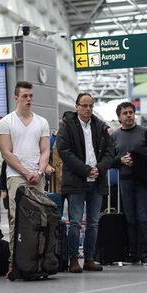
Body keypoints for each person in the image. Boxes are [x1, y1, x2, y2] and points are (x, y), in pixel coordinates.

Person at [56, 93, 114, 273]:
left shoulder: (100, 126)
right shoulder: (67, 126)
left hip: (97, 180)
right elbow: (64, 151)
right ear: (77, 106)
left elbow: (110, 151)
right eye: (84, 105)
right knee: (75, 222)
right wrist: (85, 169)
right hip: (76, 180)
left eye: (91, 106)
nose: (88, 109)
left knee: (94, 223)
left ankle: (89, 258)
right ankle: (73, 259)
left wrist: (100, 168)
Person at [0, 81, 51, 258]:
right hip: (16, 177)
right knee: (16, 219)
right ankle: (14, 260)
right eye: (24, 96)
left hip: (38, 176)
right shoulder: (6, 122)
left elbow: (45, 151)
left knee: (40, 218)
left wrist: (40, 172)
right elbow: (6, 153)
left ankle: (38, 260)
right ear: (16, 98)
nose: (28, 99)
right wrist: (26, 173)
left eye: (31, 96)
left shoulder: (42, 122)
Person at [111, 101, 147, 266]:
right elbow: (109, 160)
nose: (128, 115)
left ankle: (145, 254)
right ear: (119, 117)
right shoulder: (115, 136)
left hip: (143, 181)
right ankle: (132, 253)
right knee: (130, 218)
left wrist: (137, 158)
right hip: (125, 181)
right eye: (125, 113)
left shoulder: (145, 132)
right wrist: (121, 160)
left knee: (142, 217)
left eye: (131, 112)